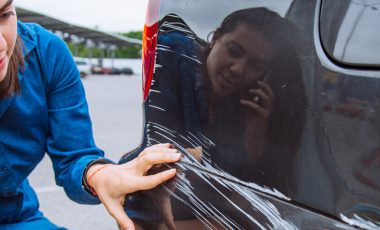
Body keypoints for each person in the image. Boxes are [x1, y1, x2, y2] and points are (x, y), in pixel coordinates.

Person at [0, 1, 181, 229]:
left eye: (5, 14)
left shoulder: (46, 54)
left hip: (17, 216)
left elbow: (74, 155)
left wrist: (101, 175)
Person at [125, 7, 307, 229]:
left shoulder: (240, 105)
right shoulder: (176, 58)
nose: (238, 69)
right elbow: (165, 155)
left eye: (255, 65)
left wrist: (255, 133)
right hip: (149, 199)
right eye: (234, 51)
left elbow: (257, 186)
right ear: (216, 37)